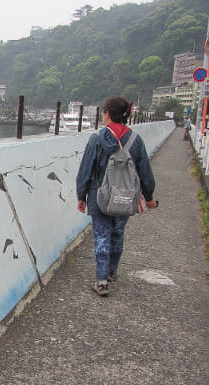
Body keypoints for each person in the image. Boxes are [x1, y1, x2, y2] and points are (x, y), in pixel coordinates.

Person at [76, 96, 158, 296]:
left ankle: (102, 281)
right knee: (117, 233)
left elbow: (86, 169)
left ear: (106, 114)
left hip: (100, 196)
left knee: (101, 236)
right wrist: (149, 197)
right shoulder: (135, 140)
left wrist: (82, 195)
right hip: (126, 196)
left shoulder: (97, 139)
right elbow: (145, 171)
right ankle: (112, 271)